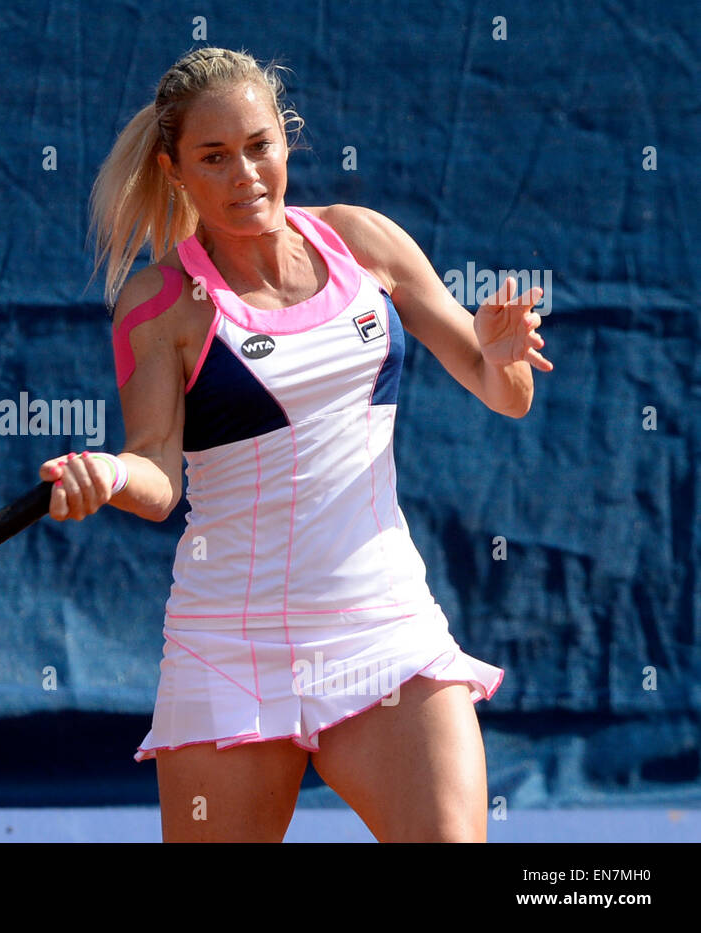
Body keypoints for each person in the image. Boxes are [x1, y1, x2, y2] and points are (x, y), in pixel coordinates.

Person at [40, 46, 553, 842]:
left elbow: (502, 393)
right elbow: (156, 474)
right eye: (214, 157)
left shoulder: (366, 245)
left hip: (384, 627)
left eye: (259, 146)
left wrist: (504, 355)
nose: (245, 173)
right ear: (177, 173)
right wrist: (108, 471)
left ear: (287, 141)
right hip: (229, 649)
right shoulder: (160, 304)